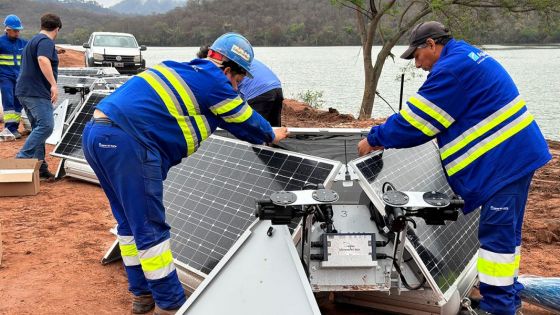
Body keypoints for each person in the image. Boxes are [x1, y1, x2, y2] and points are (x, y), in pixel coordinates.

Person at [82, 33, 289, 315]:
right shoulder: (215, 82)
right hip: (129, 144)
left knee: (129, 225)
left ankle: (141, 296)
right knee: (151, 229)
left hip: (96, 135)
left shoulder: (178, 68)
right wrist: (271, 133)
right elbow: (245, 120)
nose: (237, 88)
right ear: (228, 69)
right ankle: (170, 305)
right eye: (239, 82)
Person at [357, 21, 551, 315]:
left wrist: (375, 138)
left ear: (432, 44)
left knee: (496, 238)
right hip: (516, 157)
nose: (417, 65)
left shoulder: (451, 71)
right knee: (507, 237)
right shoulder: (465, 55)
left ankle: (498, 308)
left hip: (505, 163)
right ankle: (506, 299)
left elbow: (417, 122)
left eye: (417, 56)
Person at [15, 13, 62, 180]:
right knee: (46, 126)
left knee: (37, 129)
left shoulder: (33, 41)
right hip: (36, 92)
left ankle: (40, 167)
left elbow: (39, 56)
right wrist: (54, 85)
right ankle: (21, 159)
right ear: (57, 29)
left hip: (24, 91)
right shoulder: (46, 42)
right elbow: (42, 59)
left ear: (42, 26)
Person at [197, 46, 284, 126]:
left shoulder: (226, 66)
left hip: (257, 92)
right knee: (274, 128)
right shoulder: (237, 57)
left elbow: (225, 96)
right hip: (276, 87)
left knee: (253, 129)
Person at [0, 14, 27, 139]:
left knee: (18, 103)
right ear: (7, 29)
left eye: (18, 30)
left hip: (19, 78)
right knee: (8, 101)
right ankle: (9, 128)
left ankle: (13, 128)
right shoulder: (1, 42)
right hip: (5, 77)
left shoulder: (23, 43)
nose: (17, 33)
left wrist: (54, 50)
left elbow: (37, 48)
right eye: (15, 30)